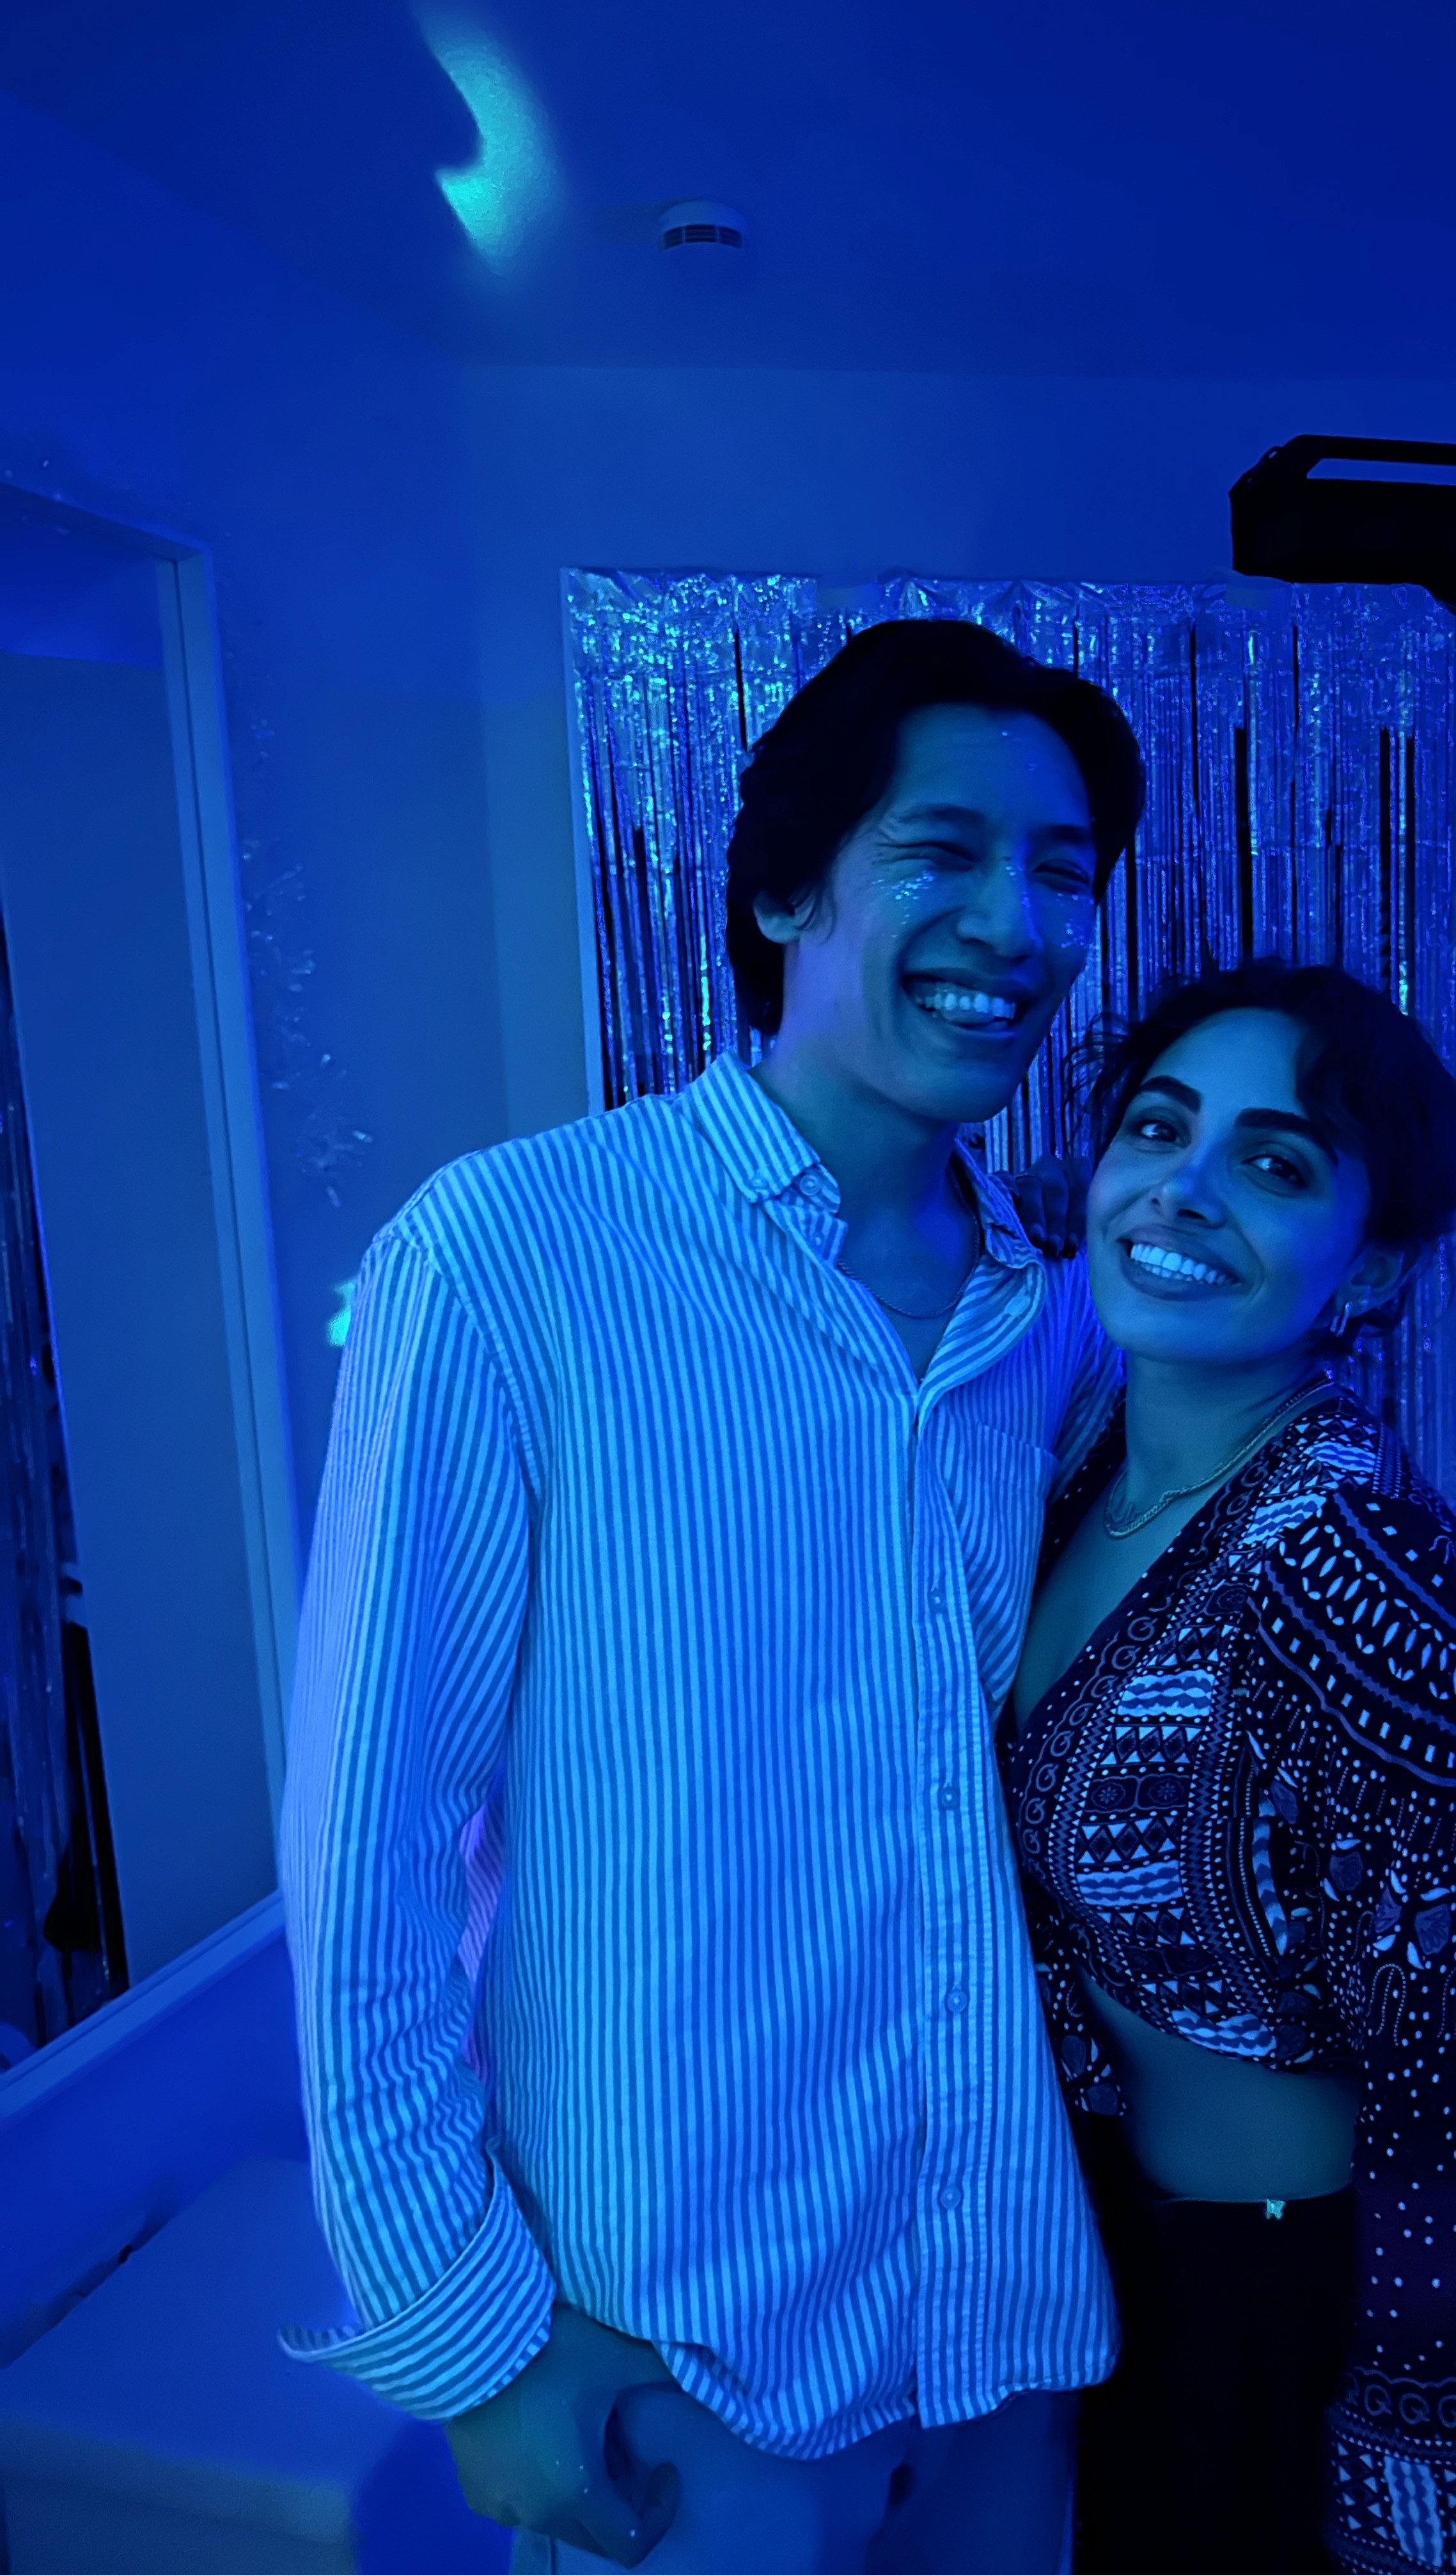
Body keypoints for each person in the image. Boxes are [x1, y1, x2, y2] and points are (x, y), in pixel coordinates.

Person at [278, 618, 1145, 2573]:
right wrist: (472, 2343)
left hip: (1006, 2315)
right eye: (944, 852)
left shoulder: (1063, 1321)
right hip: (675, 2349)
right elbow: (369, 1844)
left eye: (1065, 870)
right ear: (781, 895)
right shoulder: (513, 1256)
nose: (1015, 923)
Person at [1001, 959, 1456, 2574]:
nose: (1183, 1189)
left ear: (1373, 1263)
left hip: (1324, 2304)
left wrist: (1437, 2484)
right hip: (1144, 2274)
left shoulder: (1355, 1555)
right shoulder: (1079, 1472)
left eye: (1273, 1162)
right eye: (1157, 1129)